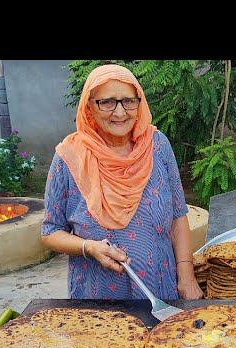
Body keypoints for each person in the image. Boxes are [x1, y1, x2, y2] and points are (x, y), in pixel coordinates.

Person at [41, 64, 203, 301]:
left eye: (129, 101)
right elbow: (50, 232)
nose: (119, 113)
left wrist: (186, 277)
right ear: (89, 106)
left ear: (140, 103)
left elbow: (178, 216)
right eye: (107, 102)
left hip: (160, 288)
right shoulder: (69, 157)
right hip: (97, 298)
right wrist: (89, 248)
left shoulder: (157, 146)